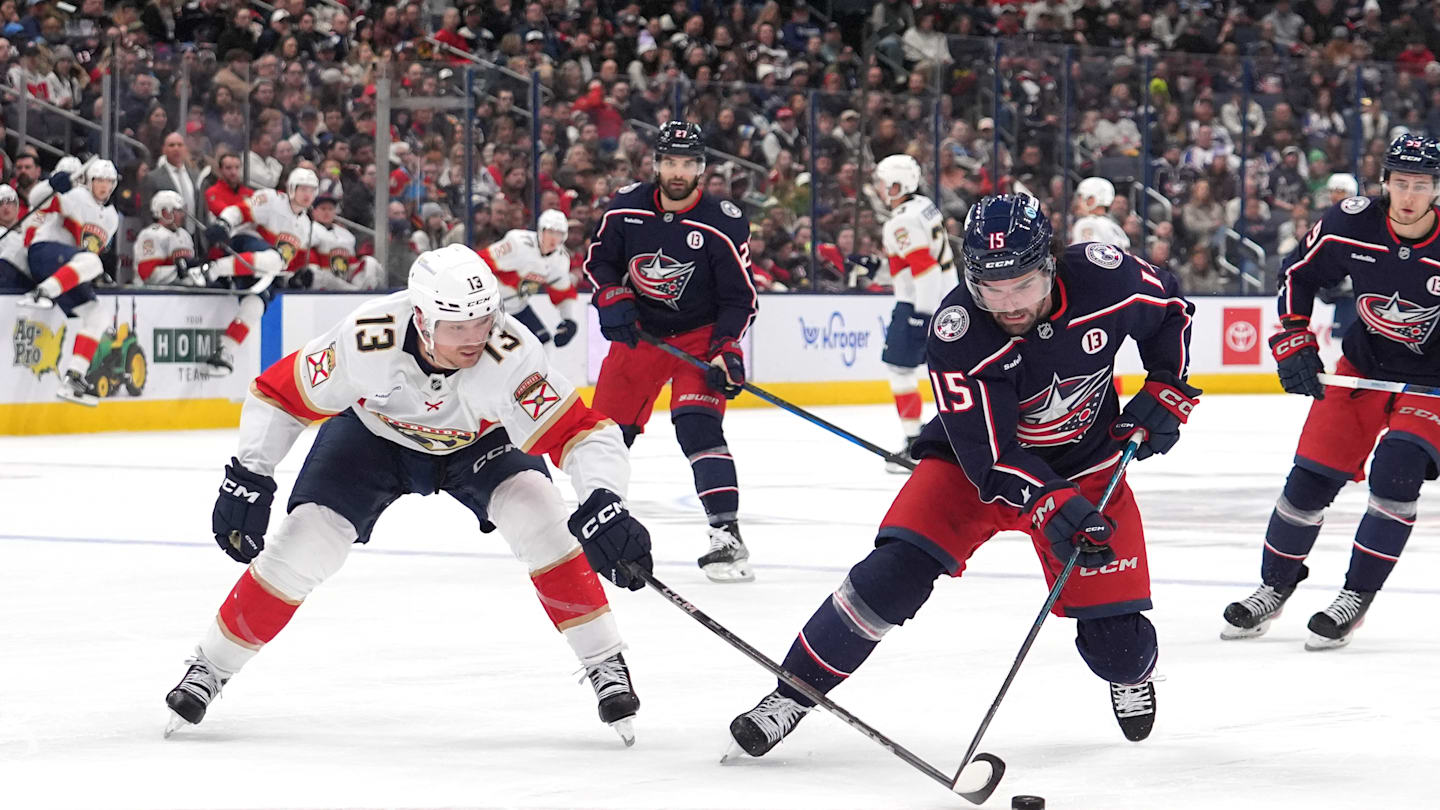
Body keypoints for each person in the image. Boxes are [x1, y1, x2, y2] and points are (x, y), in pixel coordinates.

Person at [726, 194, 1199, 758]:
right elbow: (990, 459)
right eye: (989, 287)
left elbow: (1172, 308)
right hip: (973, 468)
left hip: (1088, 467)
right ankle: (794, 692)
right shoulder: (958, 330)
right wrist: (1047, 502)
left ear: (1049, 262)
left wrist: (1167, 385)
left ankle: (1131, 675)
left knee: (1118, 648)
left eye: (1022, 284)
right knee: (890, 575)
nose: (1007, 304)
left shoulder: (1105, 275)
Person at [163, 244, 653, 744]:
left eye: (483, 321)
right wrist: (249, 474)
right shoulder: (366, 337)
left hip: (481, 445)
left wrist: (604, 499)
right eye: (457, 327)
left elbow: (582, 432)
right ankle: (210, 667)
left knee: (542, 519)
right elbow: (281, 393)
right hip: (375, 439)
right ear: (420, 319)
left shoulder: (512, 354)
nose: (474, 339)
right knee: (305, 542)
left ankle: (603, 660)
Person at [1222, 135, 1440, 650]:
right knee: (1309, 482)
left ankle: (1355, 595)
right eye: (1401, 183)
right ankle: (1273, 586)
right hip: (1362, 367)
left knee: (1395, 472)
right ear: (1384, 184)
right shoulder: (1349, 222)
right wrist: (1294, 340)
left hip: (1432, 382)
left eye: (1423, 185)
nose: (1410, 196)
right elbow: (1297, 273)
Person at [583, 121, 759, 583]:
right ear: (656, 164)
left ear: (700, 168)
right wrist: (610, 295)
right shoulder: (625, 206)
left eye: (687, 164)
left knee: (698, 427)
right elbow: (599, 261)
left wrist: (725, 349)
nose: (678, 172)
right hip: (640, 336)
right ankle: (598, 526)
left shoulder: (724, 220)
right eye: (670, 162)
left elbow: (740, 298)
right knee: (603, 435)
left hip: (699, 337)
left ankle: (727, 536)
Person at [874, 153, 959, 473]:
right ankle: (946, 438)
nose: (882, 189)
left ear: (899, 184)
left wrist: (920, 315)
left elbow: (924, 271)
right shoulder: (924, 206)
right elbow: (916, 263)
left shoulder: (901, 220)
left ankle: (913, 443)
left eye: (886, 183)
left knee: (899, 370)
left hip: (920, 303)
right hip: (947, 299)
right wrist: (877, 268)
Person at [16, 159, 121, 406]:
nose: (104, 186)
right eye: (99, 180)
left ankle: (74, 377)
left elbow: (90, 247)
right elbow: (36, 199)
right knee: (94, 263)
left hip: (67, 270)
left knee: (98, 317)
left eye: (109, 181)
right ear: (89, 181)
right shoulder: (77, 197)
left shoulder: (112, 218)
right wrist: (51, 184)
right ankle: (41, 293)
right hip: (45, 253)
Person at [202, 168, 318, 376]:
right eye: (302, 189)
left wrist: (294, 278)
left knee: (256, 304)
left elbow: (285, 263)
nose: (307, 195)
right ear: (291, 188)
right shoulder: (272, 200)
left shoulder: (305, 225)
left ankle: (224, 351)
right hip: (244, 244)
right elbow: (240, 210)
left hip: (260, 267)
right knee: (273, 259)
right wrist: (224, 223)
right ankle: (214, 269)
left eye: (311, 190)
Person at [476, 208, 580, 347]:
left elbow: (562, 293)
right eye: (550, 232)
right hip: (491, 307)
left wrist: (568, 320)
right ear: (540, 231)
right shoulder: (517, 243)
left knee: (543, 344)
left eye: (559, 233)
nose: (554, 238)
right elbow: (481, 262)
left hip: (518, 307)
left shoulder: (560, 260)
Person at [304, 193, 385, 290]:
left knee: (370, 262)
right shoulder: (308, 230)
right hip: (320, 285)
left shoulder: (346, 235)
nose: (327, 212)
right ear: (314, 212)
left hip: (345, 281)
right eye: (323, 209)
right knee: (315, 273)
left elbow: (351, 265)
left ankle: (367, 292)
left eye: (330, 209)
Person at [133, 190, 201, 285]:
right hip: (154, 295)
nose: (183, 215)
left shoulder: (185, 234)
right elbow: (148, 274)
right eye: (178, 211)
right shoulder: (150, 235)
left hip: (182, 294)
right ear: (165, 212)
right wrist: (179, 269)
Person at [1070, 177, 1131, 250]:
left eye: (1081, 197)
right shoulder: (1115, 226)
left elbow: (1085, 256)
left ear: (1092, 199)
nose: (1078, 203)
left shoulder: (1087, 223)